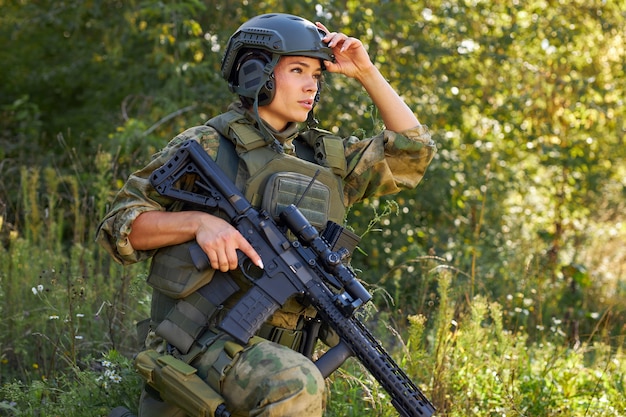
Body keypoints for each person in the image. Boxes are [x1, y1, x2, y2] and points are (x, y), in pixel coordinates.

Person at [98, 12, 436, 417]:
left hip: (282, 355)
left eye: (317, 74)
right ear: (256, 73)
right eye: (297, 70)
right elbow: (120, 226)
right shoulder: (208, 145)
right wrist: (199, 223)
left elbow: (413, 151)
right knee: (296, 384)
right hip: (199, 341)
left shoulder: (329, 160)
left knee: (297, 380)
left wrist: (366, 71)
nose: (312, 84)